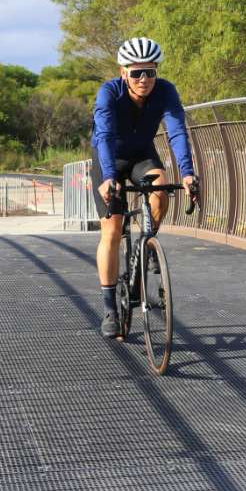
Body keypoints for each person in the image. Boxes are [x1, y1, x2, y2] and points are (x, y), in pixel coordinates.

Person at [90, 36, 197, 338]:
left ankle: (146, 246)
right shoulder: (109, 93)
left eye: (150, 72)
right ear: (123, 72)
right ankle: (111, 308)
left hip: (140, 155)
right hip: (108, 156)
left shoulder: (165, 91)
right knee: (112, 230)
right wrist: (109, 178)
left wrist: (188, 174)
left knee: (161, 190)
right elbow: (105, 137)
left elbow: (176, 132)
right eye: (136, 72)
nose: (144, 79)